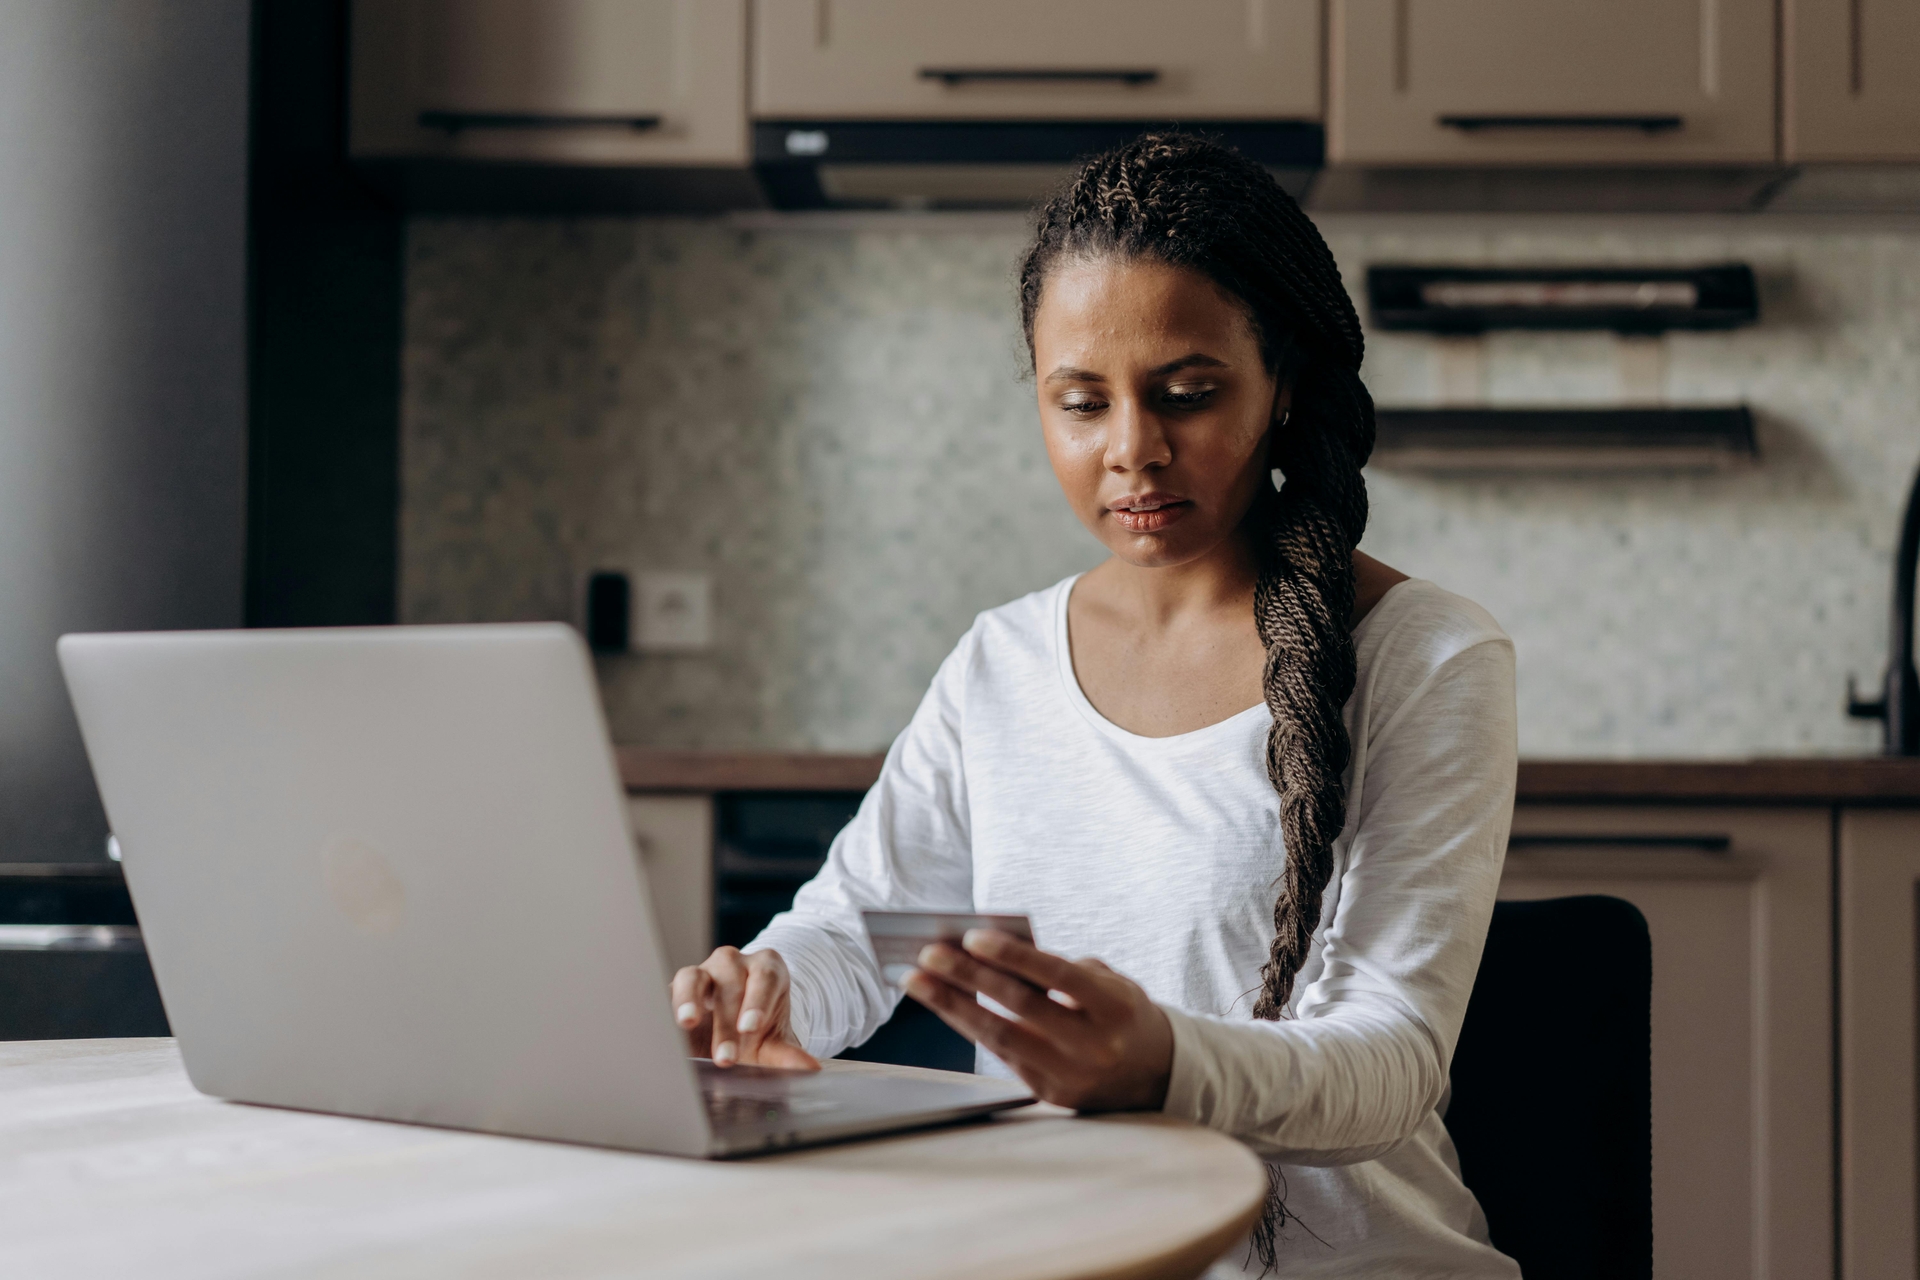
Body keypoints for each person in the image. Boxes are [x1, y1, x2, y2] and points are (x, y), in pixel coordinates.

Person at [669, 133, 1519, 1278]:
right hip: (1061, 1255)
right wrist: (766, 994)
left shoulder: (1425, 655)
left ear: (1284, 385)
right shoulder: (1002, 663)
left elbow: (1389, 1059)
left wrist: (1162, 1059)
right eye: (1081, 401)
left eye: (1188, 394)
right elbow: (868, 935)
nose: (1133, 451)